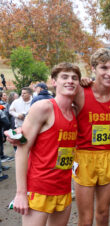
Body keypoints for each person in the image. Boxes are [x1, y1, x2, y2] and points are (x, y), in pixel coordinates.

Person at [10, 62, 80, 225]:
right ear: (54, 82)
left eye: (74, 78)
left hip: (63, 189)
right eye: (64, 77)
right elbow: (22, 149)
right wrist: (20, 193)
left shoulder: (75, 111)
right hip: (39, 189)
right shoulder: (44, 108)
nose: (70, 81)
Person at [72, 48, 110, 226]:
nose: (109, 73)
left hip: (109, 156)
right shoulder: (80, 91)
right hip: (84, 156)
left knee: (103, 214)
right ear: (93, 68)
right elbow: (56, 101)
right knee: (86, 218)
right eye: (104, 68)